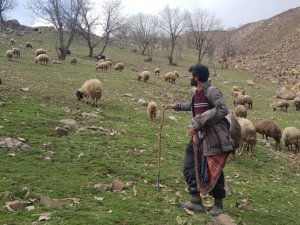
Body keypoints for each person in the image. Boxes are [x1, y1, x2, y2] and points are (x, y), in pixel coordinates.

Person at [171, 64, 234, 216]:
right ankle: (195, 201)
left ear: (196, 77)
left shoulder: (212, 91)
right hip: (197, 138)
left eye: (190, 75)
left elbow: (222, 110)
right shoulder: (197, 93)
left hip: (213, 138)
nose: (189, 77)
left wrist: (201, 120)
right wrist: (177, 106)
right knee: (189, 166)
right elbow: (194, 106)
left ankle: (218, 204)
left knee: (214, 171)